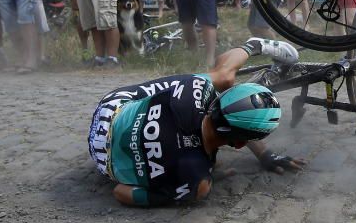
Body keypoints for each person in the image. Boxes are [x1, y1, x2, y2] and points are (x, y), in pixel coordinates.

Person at [87, 37, 306, 207]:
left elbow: (120, 193)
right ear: (239, 144)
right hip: (104, 160)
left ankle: (252, 46)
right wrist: (265, 155)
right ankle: (253, 46)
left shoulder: (196, 91)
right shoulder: (197, 183)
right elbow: (120, 191)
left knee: (222, 77)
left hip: (110, 110)